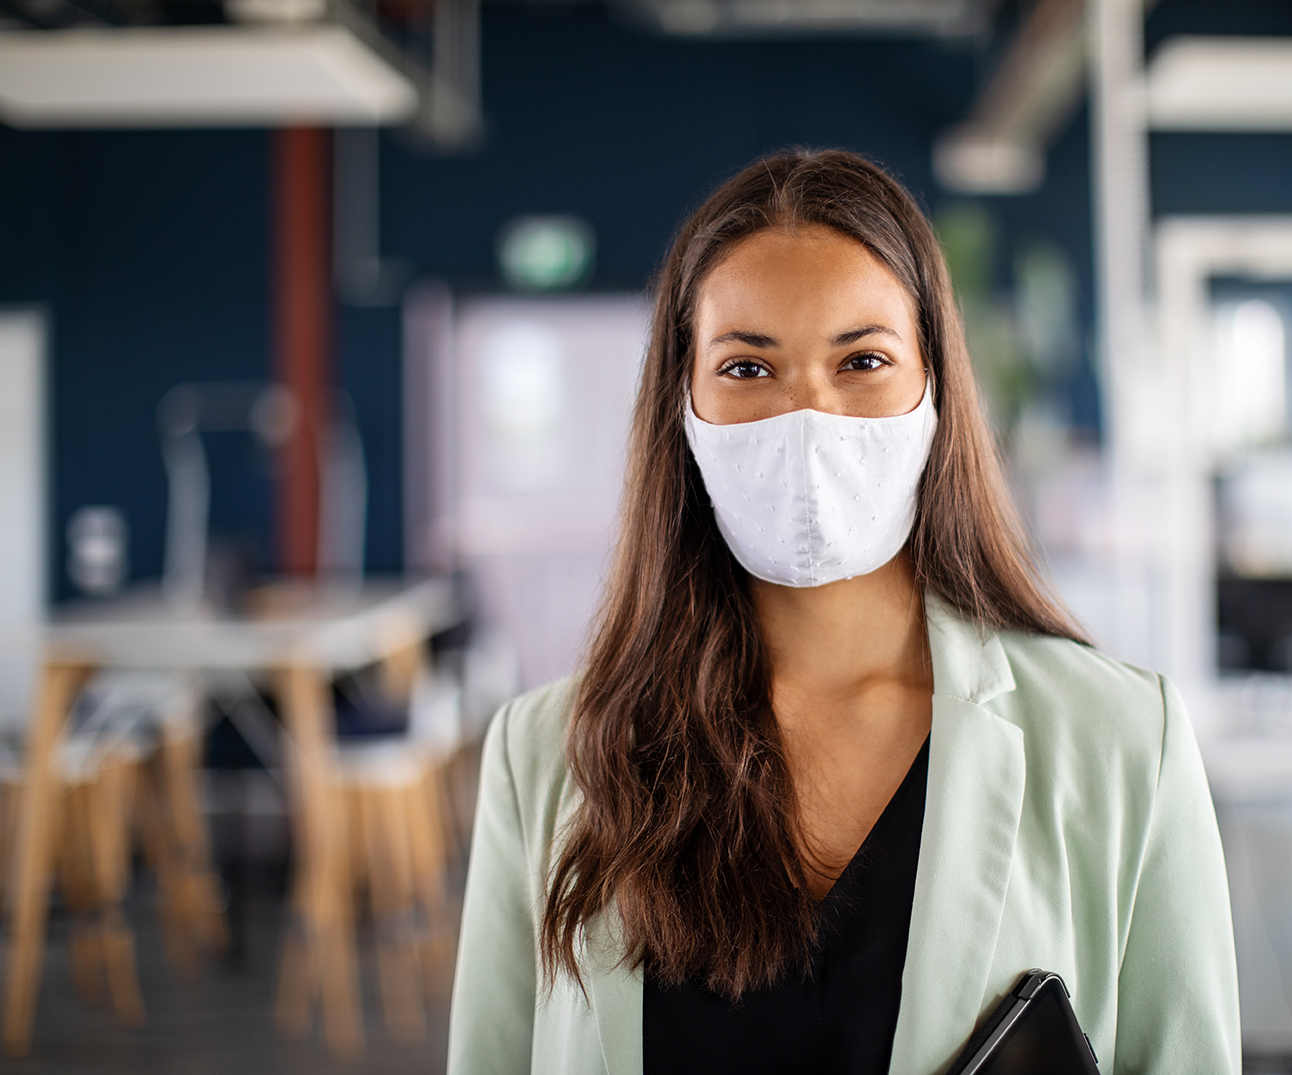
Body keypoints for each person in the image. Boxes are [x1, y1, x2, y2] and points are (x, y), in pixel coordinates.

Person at [447, 149, 1239, 1075]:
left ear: (934, 388)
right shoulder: (544, 754)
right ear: (682, 406)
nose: (807, 417)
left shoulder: (1117, 741)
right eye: (747, 367)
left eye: (862, 359)